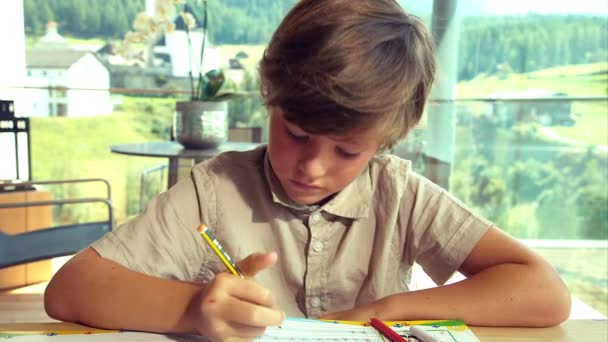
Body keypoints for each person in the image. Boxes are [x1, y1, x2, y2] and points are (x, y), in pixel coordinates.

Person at [44, 0, 571, 341]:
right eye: (296, 134)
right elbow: (70, 288)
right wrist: (194, 309)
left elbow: (544, 291)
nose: (313, 167)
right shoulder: (214, 189)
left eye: (348, 151)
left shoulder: (399, 193)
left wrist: (385, 309)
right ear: (269, 99)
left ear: (385, 142)